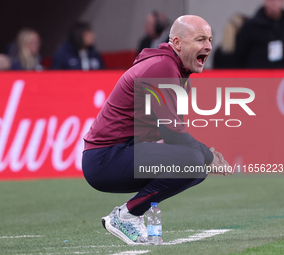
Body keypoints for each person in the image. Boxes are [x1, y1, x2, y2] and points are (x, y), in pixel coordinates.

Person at [82, 15, 231, 245]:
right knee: (193, 160)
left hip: (121, 153)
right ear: (178, 43)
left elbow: (171, 134)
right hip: (105, 159)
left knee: (196, 167)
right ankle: (126, 216)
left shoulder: (176, 72)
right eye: (201, 39)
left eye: (210, 40)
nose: (209, 46)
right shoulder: (163, 66)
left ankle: (129, 214)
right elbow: (174, 135)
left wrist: (204, 156)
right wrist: (209, 154)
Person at [235, 0, 284, 68]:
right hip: (257, 74)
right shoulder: (251, 26)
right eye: (271, 0)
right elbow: (240, 54)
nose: (274, 3)